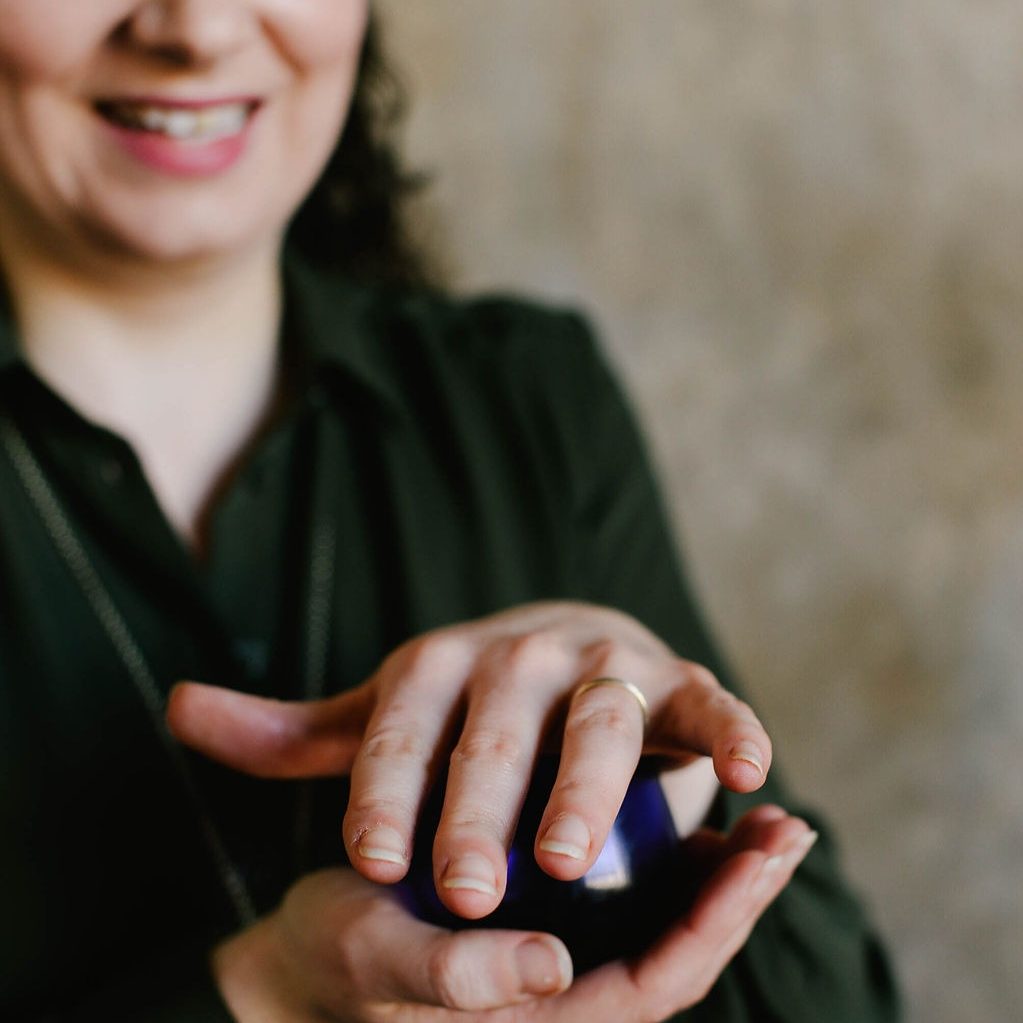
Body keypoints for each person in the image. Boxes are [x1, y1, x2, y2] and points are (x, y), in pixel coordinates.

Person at [0, 3, 900, 1021]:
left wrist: (670, 785)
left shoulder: (532, 399)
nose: (197, 29)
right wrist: (272, 995)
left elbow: (844, 1001)